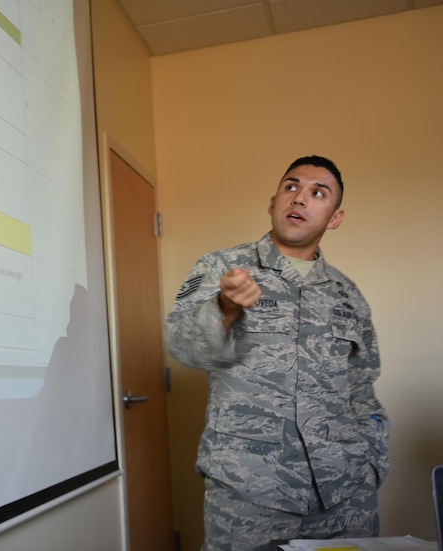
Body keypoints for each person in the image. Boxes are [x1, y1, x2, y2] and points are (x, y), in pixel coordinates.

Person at [165, 156, 389, 551]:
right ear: (272, 203)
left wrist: (371, 465)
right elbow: (182, 346)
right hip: (251, 494)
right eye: (291, 187)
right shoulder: (221, 266)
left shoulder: (347, 295)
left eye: (318, 193)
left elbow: (363, 390)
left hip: (344, 495)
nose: (300, 198)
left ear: (334, 218)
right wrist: (226, 306)